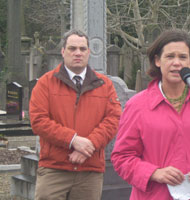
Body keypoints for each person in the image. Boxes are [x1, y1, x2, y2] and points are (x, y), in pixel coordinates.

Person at [111, 29, 190, 200]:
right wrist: (153, 173)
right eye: (170, 57)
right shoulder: (138, 105)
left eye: (182, 57)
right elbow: (122, 157)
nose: (176, 63)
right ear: (157, 60)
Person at [29, 29, 121, 200]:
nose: (77, 53)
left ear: (89, 52)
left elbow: (113, 119)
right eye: (72, 48)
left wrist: (88, 146)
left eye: (82, 49)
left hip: (89, 170)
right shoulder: (45, 83)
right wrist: (73, 140)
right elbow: (38, 121)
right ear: (63, 52)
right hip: (54, 169)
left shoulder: (105, 84)